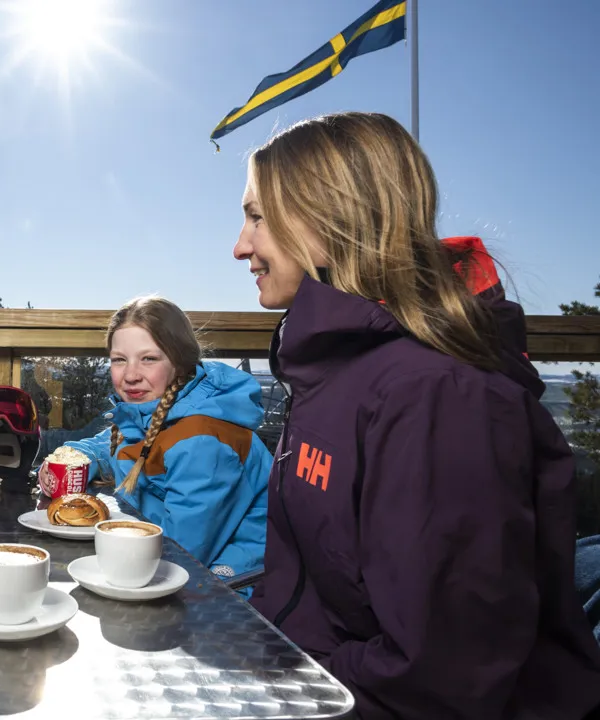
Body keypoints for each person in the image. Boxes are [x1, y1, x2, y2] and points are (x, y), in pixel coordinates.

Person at [233, 112, 600, 718]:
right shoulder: (334, 373)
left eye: (257, 216)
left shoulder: (442, 397)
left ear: (329, 218)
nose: (241, 246)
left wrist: (279, 678)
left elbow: (437, 678)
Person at [60, 296, 272, 589]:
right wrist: (70, 457)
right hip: (161, 560)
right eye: (119, 360)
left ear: (179, 362)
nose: (131, 375)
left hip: (229, 590)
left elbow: (181, 554)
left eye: (149, 358)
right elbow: (110, 446)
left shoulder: (204, 440)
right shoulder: (152, 410)